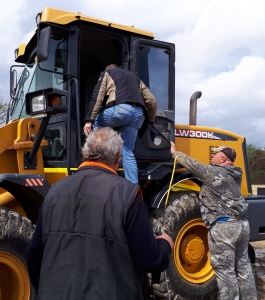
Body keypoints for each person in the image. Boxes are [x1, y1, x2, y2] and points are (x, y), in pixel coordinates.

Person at [28, 127, 174, 300]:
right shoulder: (129, 194)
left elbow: (34, 255)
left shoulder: (54, 191)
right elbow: (150, 260)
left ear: (85, 154)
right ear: (117, 157)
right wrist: (164, 245)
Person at [170, 142, 257, 300]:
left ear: (222, 158)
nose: (212, 155)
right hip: (243, 226)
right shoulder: (236, 175)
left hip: (225, 228)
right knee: (244, 267)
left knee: (225, 271)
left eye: (215, 153)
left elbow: (191, 164)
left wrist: (175, 153)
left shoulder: (213, 173)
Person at [83, 64, 157, 184]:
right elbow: (152, 101)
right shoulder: (135, 78)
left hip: (121, 110)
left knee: (97, 121)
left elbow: (98, 96)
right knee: (128, 151)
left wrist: (88, 120)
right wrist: (152, 120)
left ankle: (96, 155)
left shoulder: (107, 73)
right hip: (138, 114)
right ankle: (132, 188)